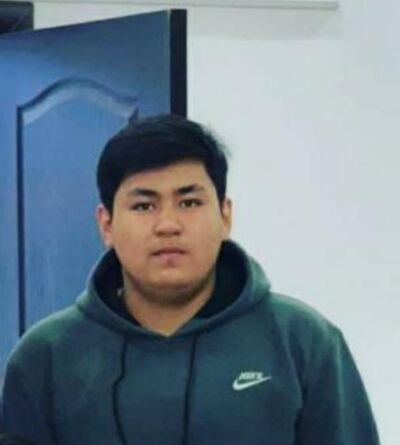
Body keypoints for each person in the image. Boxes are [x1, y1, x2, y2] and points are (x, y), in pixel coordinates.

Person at [1, 115, 380, 445]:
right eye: (144, 205)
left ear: (225, 215)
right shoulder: (46, 357)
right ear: (107, 224)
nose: (168, 225)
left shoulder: (303, 341)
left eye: (189, 203)